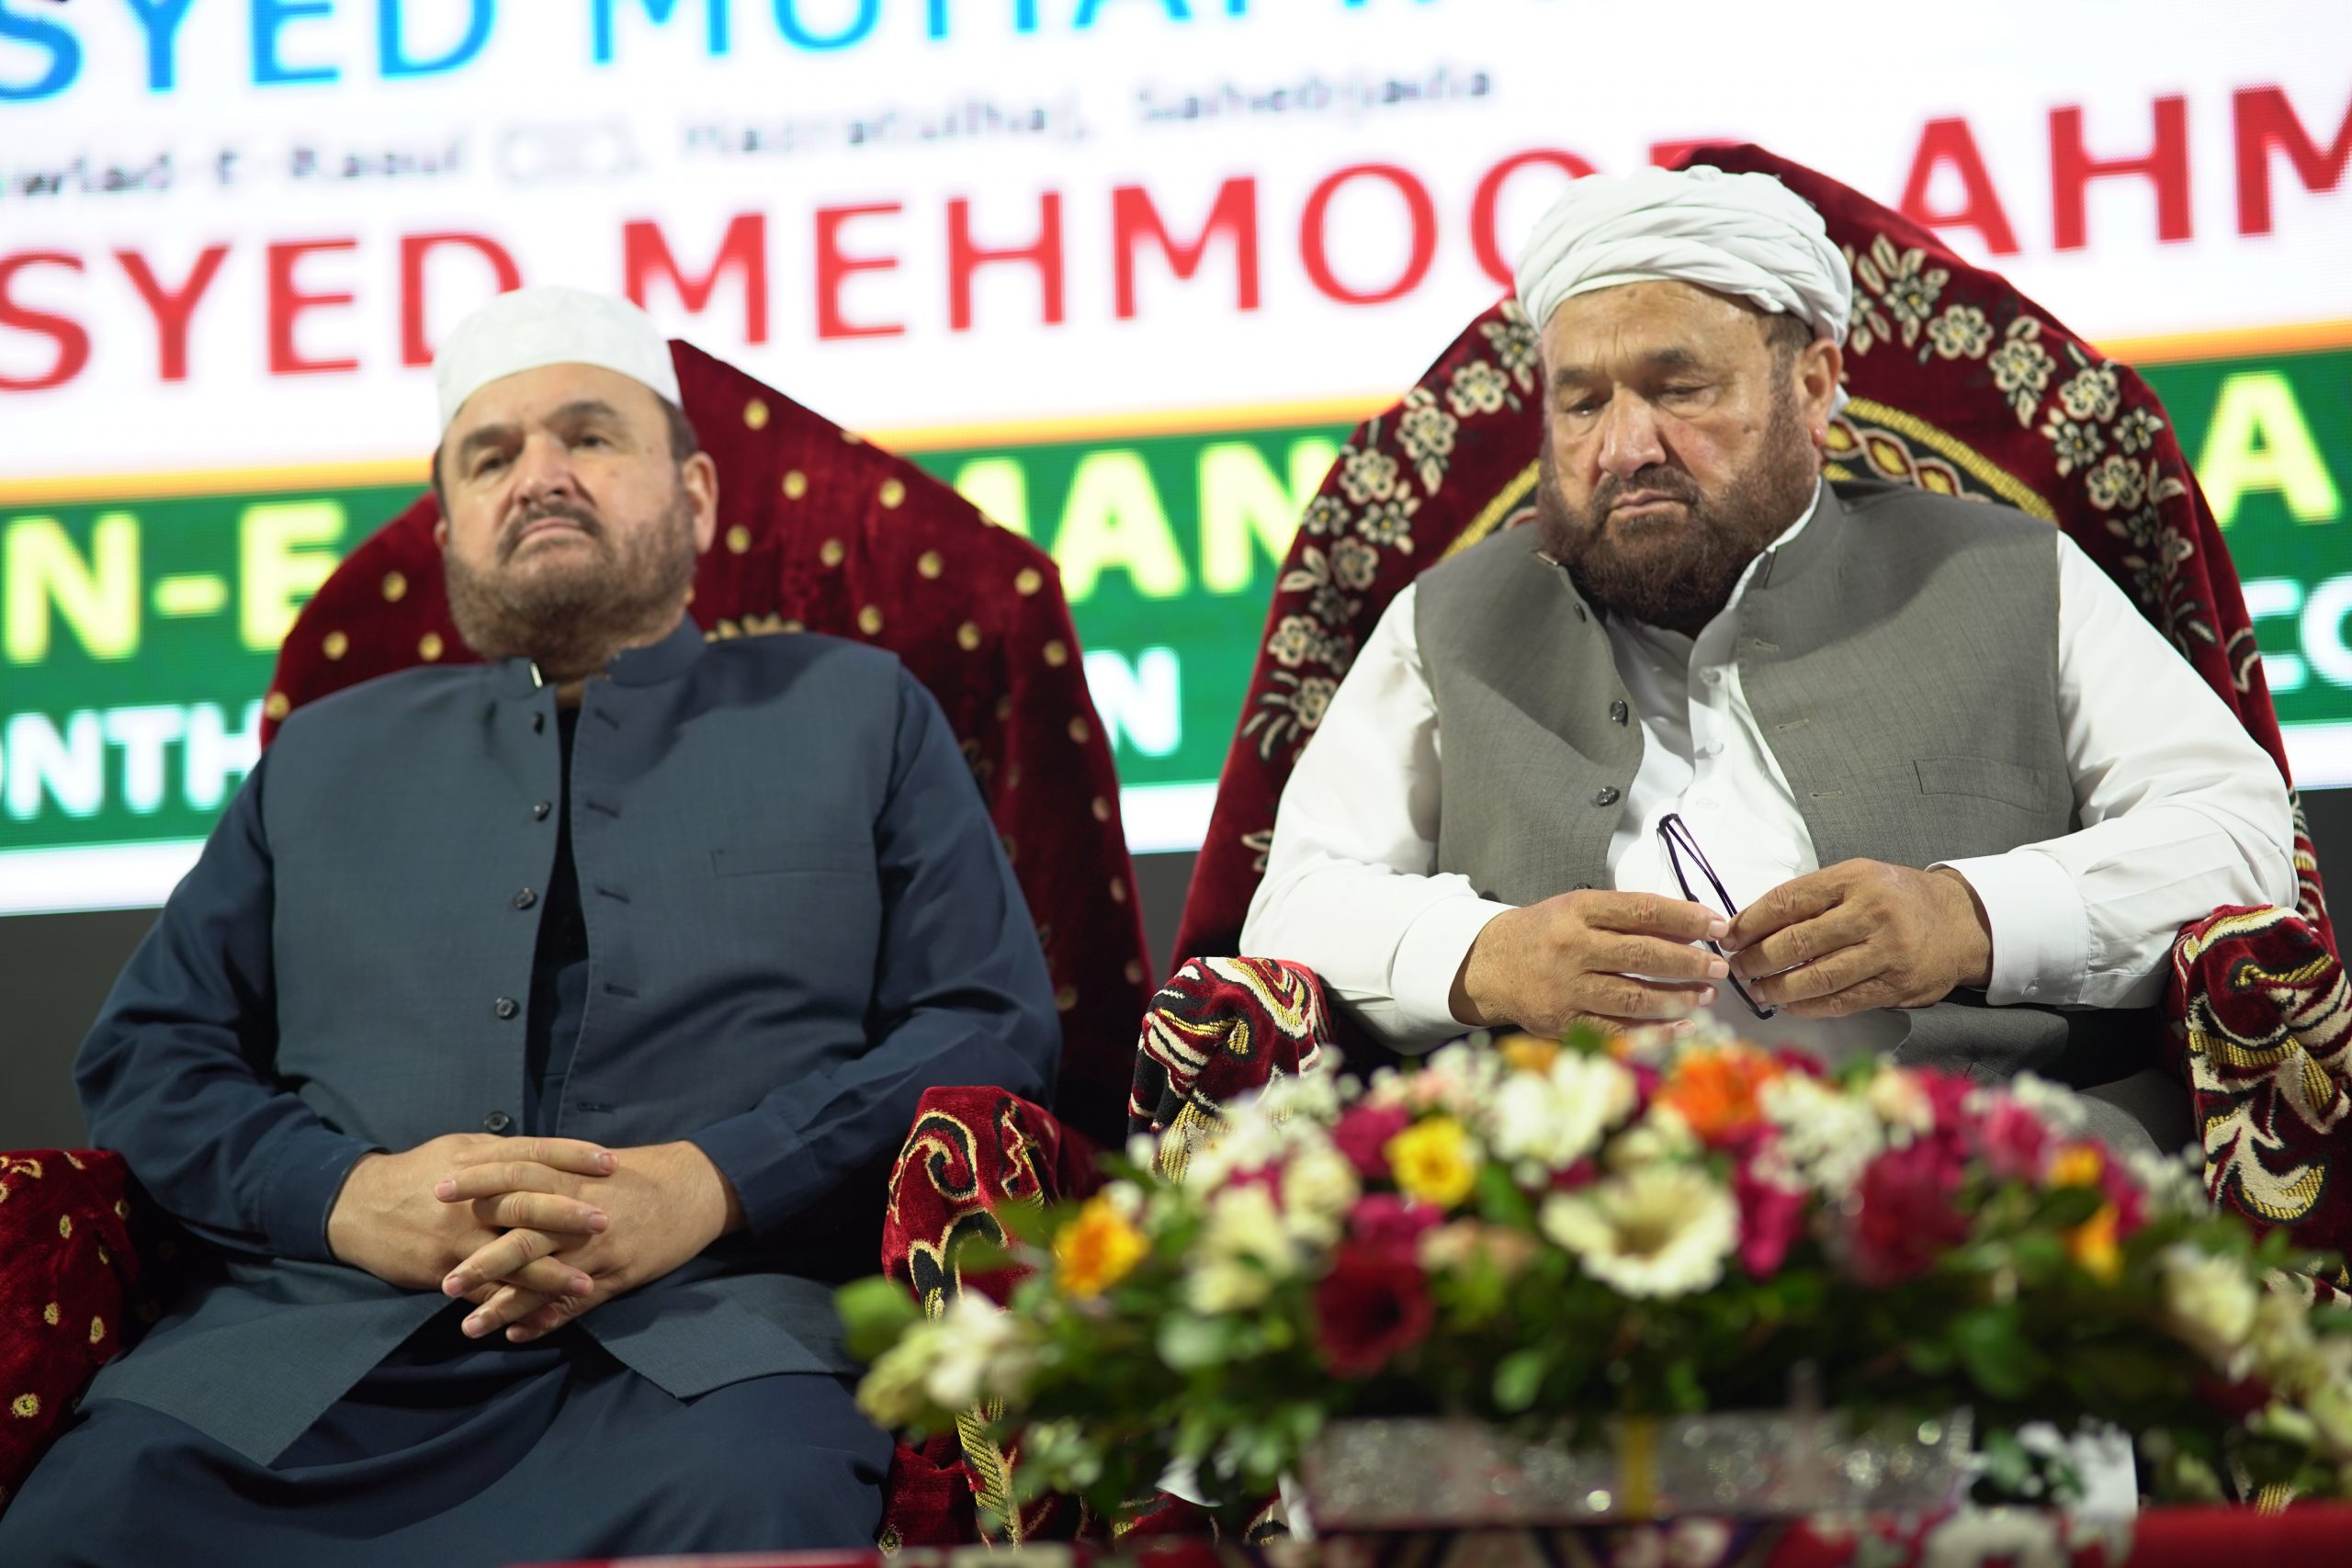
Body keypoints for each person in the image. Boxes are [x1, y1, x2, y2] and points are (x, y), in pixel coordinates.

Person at [0, 288, 1060, 1566]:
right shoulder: (326, 752)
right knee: (84, 1521)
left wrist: (712, 1181)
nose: (540, 475)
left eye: (589, 436)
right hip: (301, 1359)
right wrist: (345, 1198)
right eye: (490, 455)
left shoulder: (858, 709)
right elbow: (150, 1052)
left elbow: (986, 1020)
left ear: (697, 496)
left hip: (715, 1352)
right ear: (450, 522)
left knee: (762, 1512)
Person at [1241, 166, 2295, 1155]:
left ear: (1813, 383)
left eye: (1678, 388)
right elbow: (1295, 902)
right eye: (1582, 402)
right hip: (1570, 1212)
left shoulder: (2007, 573)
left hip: (1977, 1185)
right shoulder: (1448, 619)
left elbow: (2237, 834)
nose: (1624, 447)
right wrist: (1489, 957)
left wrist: (1969, 918)